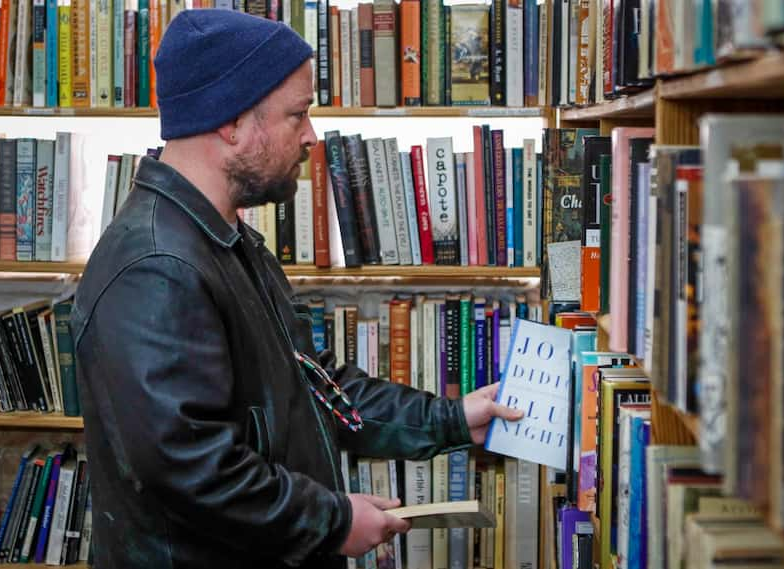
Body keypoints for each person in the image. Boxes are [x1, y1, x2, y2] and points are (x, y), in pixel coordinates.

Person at [71, 9, 523, 569]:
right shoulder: (156, 267)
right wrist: (332, 521)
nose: (311, 135)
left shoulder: (228, 240)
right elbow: (190, 468)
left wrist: (450, 421)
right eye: (297, 115)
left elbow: (317, 386)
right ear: (231, 121)